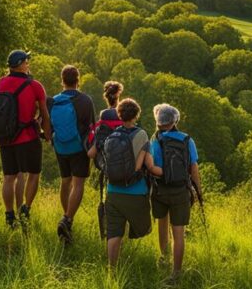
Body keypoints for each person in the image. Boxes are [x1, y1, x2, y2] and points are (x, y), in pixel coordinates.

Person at [87, 98, 161, 267]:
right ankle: (134, 259)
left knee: (113, 233)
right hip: (136, 192)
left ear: (120, 115)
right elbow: (149, 165)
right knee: (142, 228)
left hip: (112, 191)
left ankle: (111, 270)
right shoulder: (141, 134)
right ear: (136, 115)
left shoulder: (112, 136)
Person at [0, 50, 52, 229]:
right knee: (34, 174)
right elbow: (44, 113)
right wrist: (48, 135)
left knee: (9, 177)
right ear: (20, 64)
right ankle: (26, 209)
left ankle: (9, 214)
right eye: (27, 61)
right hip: (28, 137)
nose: (29, 64)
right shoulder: (35, 85)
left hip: (6, 138)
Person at [150, 103, 203, 280]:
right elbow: (193, 169)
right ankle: (176, 272)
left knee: (162, 224)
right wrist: (198, 191)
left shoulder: (155, 140)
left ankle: (164, 258)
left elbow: (152, 167)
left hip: (160, 190)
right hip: (181, 190)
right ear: (174, 121)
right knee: (178, 233)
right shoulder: (187, 140)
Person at [47, 65, 95, 244]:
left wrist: (52, 139)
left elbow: (48, 126)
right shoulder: (85, 100)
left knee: (65, 181)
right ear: (78, 80)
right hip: (78, 148)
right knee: (78, 183)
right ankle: (67, 219)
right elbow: (92, 126)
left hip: (60, 147)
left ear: (62, 80)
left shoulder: (53, 101)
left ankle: (67, 220)